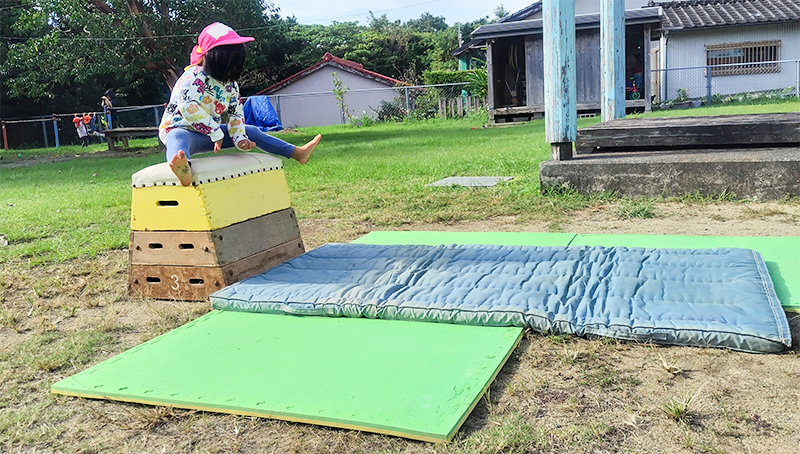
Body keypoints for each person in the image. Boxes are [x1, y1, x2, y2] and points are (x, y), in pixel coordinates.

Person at [160, 22, 321, 186]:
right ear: (211, 58)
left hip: (212, 135)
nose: (232, 68)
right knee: (176, 137)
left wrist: (240, 139)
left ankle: (297, 153)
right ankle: (183, 168)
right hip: (184, 130)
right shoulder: (193, 76)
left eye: (236, 63)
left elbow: (235, 114)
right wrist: (215, 132)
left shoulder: (231, 85)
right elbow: (187, 106)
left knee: (251, 130)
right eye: (227, 63)